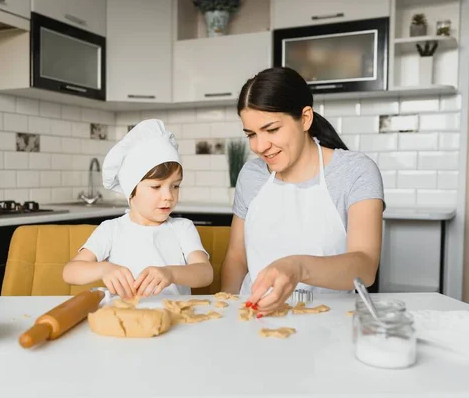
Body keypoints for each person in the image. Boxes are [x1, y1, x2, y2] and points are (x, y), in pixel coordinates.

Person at [220, 67, 385, 316]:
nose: (260, 146)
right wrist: (226, 312)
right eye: (251, 134)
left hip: (330, 320)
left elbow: (365, 266)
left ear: (305, 118)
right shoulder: (251, 175)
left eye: (272, 129)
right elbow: (237, 256)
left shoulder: (354, 171)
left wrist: (298, 267)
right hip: (255, 320)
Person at [62, 119, 213, 299]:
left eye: (175, 186)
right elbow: (69, 272)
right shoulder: (111, 230)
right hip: (125, 317)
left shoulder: (182, 228)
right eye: (156, 187)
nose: (168, 196)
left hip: (175, 316)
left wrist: (170, 273)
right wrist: (103, 269)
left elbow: (205, 273)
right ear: (131, 190)